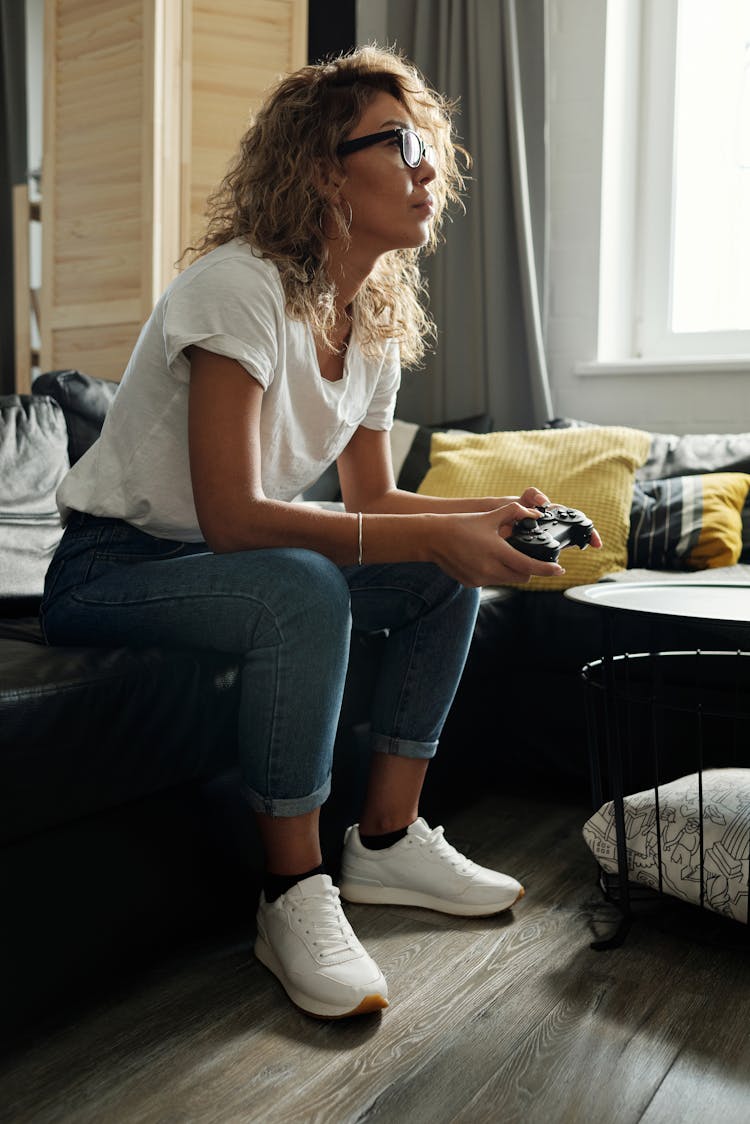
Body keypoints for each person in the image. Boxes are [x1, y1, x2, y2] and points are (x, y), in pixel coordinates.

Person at [41, 45, 600, 1020]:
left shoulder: (374, 316)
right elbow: (233, 514)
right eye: (401, 142)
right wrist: (438, 534)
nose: (428, 165)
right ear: (320, 165)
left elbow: (374, 496)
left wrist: (489, 516)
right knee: (304, 583)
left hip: (222, 562)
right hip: (113, 567)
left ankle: (384, 842)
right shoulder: (239, 286)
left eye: (429, 145)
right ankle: (292, 892)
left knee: (440, 577)